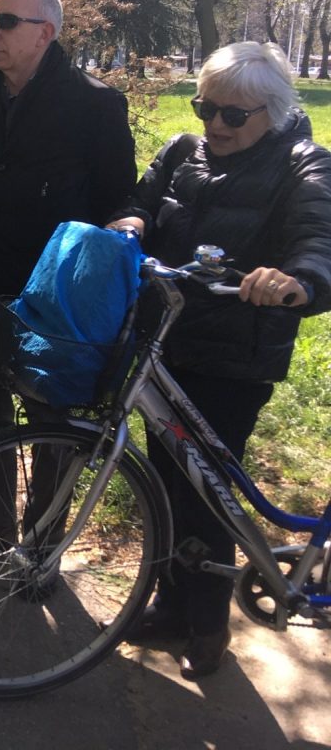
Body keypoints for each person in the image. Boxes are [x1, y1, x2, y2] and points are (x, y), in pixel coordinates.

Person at [106, 41, 331, 678]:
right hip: (165, 347)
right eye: (206, 108)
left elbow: (318, 240)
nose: (215, 125)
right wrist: (131, 224)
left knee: (207, 496)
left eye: (233, 115)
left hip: (235, 357)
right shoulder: (183, 151)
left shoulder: (304, 165)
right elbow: (139, 201)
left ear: (273, 112)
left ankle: (207, 627)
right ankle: (169, 607)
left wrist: (296, 281)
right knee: (165, 488)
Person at [0, 0, 135, 556]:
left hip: (53, 296)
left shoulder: (95, 104)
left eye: (5, 22)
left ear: (45, 33)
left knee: (53, 425)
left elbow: (119, 199)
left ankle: (40, 548)